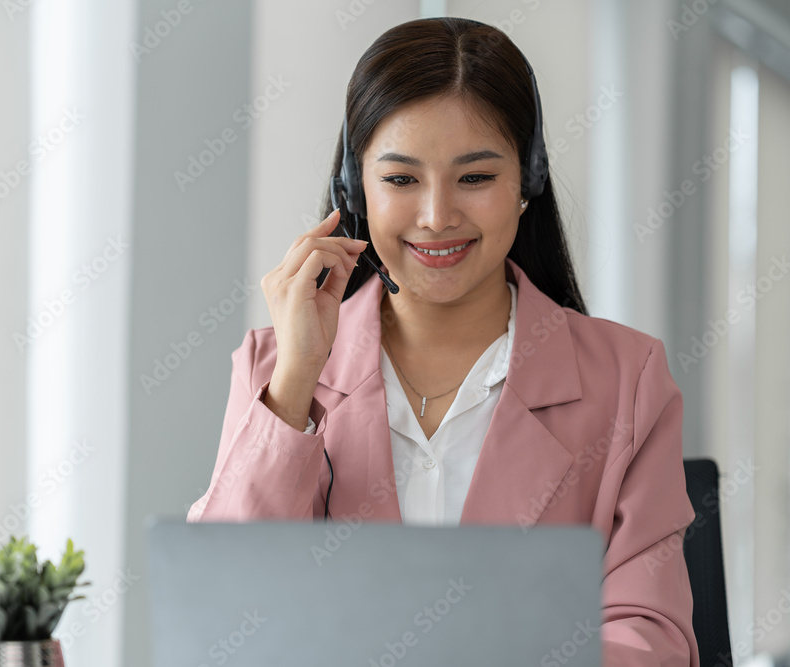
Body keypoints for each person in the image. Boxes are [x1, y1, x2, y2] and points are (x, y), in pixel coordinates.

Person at [187, 17, 698, 667]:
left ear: (527, 181)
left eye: (475, 177)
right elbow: (224, 623)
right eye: (401, 179)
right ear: (356, 190)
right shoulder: (274, 366)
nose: (436, 215)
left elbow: (646, 639)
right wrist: (296, 384)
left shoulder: (628, 378)